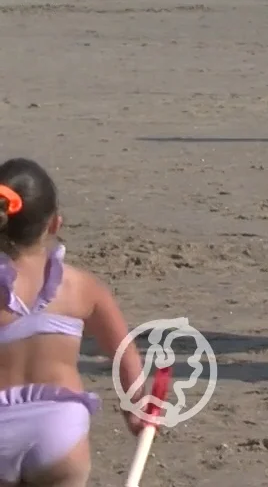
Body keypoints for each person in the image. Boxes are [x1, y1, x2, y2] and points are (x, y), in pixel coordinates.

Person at [0, 158, 154, 486]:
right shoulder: (81, 287)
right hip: (59, 431)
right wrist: (137, 406)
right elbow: (126, 355)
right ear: (55, 224)